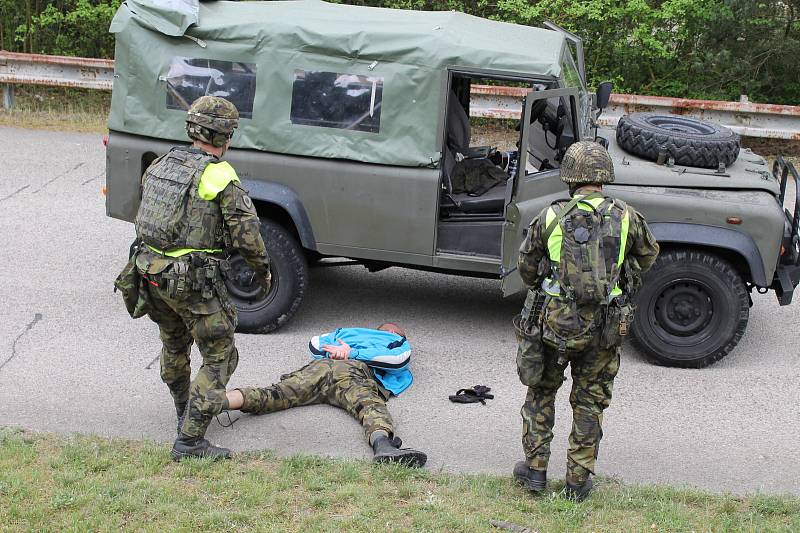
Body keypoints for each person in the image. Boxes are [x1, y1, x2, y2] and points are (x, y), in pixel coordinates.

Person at [511, 141, 659, 501]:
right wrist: (620, 277)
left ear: (570, 178)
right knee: (590, 401)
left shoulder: (551, 215)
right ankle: (577, 481)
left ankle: (535, 471)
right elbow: (648, 255)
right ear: (604, 178)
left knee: (541, 392)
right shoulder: (627, 216)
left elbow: (527, 268)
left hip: (553, 323)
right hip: (604, 328)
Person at [130, 95, 271, 460]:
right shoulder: (219, 174)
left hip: (150, 275)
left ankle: (184, 413)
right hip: (190, 282)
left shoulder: (162, 164)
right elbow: (247, 236)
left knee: (174, 345)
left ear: (193, 129)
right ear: (226, 136)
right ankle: (190, 441)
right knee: (221, 355)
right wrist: (264, 274)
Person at [224, 323, 427, 467]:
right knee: (369, 406)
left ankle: (211, 401)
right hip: (351, 370)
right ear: (394, 332)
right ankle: (383, 446)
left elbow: (315, 344)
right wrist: (351, 355)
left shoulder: (346, 333)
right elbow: (399, 361)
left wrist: (338, 351)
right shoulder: (395, 340)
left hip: (321, 367)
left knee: (275, 393)